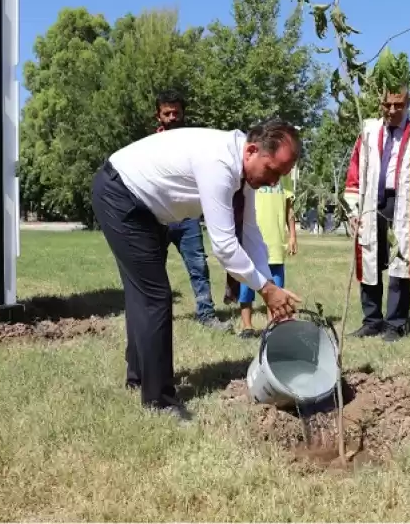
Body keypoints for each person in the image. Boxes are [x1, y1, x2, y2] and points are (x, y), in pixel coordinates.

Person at [91, 118, 303, 419]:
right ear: (252, 150)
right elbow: (225, 247)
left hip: (144, 208)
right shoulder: (219, 163)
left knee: (144, 296)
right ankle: (159, 401)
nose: (274, 182)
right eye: (272, 171)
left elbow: (251, 233)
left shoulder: (244, 168)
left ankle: (138, 375)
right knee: (154, 297)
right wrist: (266, 290)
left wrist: (270, 284)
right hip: (121, 195)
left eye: (281, 175)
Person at [344, 84, 410, 342]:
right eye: (387, 104)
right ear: (380, 103)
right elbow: (355, 169)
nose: (392, 110)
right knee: (369, 259)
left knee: (400, 262)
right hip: (372, 202)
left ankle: (395, 324)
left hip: (405, 204)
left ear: (408, 102)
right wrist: (352, 209)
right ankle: (372, 320)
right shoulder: (368, 131)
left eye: (398, 104)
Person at [153, 90, 231, 332]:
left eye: (177, 112)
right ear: (158, 116)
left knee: (198, 266)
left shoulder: (195, 142)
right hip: (159, 217)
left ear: (184, 113)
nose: (173, 117)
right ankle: (155, 317)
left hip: (188, 217)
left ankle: (206, 314)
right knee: (153, 268)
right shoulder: (150, 146)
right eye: (167, 113)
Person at [237, 171, 298, 338]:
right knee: (247, 283)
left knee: (276, 286)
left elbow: (289, 206)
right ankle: (247, 326)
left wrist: (292, 235)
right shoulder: (253, 171)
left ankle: (272, 327)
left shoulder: (284, 176)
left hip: (276, 241)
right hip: (252, 238)